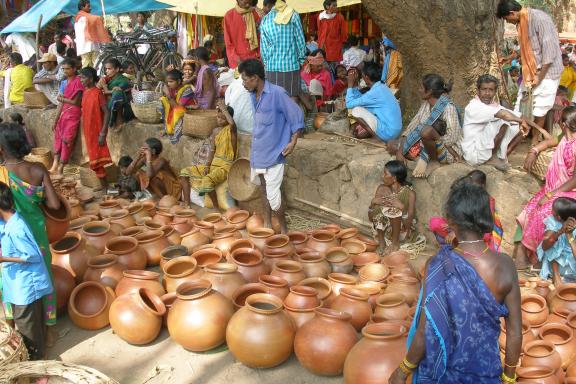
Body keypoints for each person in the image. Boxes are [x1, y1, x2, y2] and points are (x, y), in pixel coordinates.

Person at [388, 182, 521, 384]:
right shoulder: (505, 266)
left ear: (450, 220)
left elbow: (424, 330)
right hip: (486, 374)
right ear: (487, 217)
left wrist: (402, 370)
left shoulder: (437, 265)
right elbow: (515, 333)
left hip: (442, 375)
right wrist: (509, 378)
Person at [0, 123, 61, 347]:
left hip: (8, 235)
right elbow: (54, 205)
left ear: (2, 149)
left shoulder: (1, 173)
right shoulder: (37, 170)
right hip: (36, 234)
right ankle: (49, 327)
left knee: (9, 276)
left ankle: (11, 324)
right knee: (43, 275)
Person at [239, 59, 303, 233]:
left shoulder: (277, 93)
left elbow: (296, 115)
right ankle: (268, 225)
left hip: (275, 153)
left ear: (255, 78)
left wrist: (293, 140)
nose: (243, 83)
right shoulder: (253, 95)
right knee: (264, 190)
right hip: (259, 152)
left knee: (274, 196)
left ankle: (284, 231)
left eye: (245, 79)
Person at [496, 0, 563, 144]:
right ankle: (514, 141)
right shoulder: (522, 23)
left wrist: (540, 76)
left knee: (540, 110)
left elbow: (549, 52)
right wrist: (510, 58)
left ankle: (535, 141)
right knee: (519, 107)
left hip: (548, 74)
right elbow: (528, 48)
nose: (510, 22)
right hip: (530, 74)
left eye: (508, 19)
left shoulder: (540, 19)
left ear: (512, 13)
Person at [517, 106, 576, 268]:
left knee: (543, 213)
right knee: (528, 209)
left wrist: (551, 195)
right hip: (555, 188)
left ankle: (536, 261)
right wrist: (534, 150)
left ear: (563, 124)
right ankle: (524, 257)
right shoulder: (565, 137)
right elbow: (550, 141)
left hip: (569, 192)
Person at [0, 182, 53, 360]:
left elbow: (32, 256)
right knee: (30, 324)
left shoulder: (16, 228)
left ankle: (39, 364)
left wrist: (4, 259)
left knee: (28, 329)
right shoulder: (8, 220)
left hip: (25, 286)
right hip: (17, 286)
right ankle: (38, 355)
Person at [386, 74, 462, 178]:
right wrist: (400, 152)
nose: (419, 89)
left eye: (421, 87)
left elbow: (452, 137)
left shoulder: (448, 107)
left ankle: (433, 161)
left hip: (445, 149)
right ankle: (420, 158)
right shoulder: (425, 105)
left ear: (430, 91)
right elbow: (412, 127)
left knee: (426, 131)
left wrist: (433, 138)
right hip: (425, 144)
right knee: (391, 144)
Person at [460, 74, 532, 170]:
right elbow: (504, 115)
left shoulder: (493, 105)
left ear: (495, 92)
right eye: (484, 89)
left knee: (519, 127)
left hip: (483, 149)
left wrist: (540, 129)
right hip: (473, 154)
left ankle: (502, 157)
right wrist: (521, 121)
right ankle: (492, 158)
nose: (487, 93)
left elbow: (518, 115)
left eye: (491, 90)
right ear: (478, 91)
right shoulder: (474, 106)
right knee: (503, 121)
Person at [180, 100, 237, 210]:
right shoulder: (215, 131)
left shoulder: (231, 130)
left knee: (207, 181)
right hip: (213, 164)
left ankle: (216, 209)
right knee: (184, 173)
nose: (219, 120)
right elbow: (211, 150)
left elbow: (232, 123)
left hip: (226, 166)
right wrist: (207, 165)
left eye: (223, 118)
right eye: (218, 117)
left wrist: (224, 109)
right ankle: (187, 204)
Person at [429, 170, 504, 252]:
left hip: (474, 233)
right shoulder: (463, 195)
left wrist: (456, 231)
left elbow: (485, 228)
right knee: (435, 222)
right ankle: (452, 249)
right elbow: (456, 214)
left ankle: (462, 251)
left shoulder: (486, 200)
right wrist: (453, 226)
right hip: (458, 228)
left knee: (486, 238)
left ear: (482, 186)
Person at [369, 160, 417, 255]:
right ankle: (382, 244)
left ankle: (395, 244)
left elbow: (408, 225)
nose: (382, 176)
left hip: (401, 232)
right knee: (380, 211)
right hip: (383, 232)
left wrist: (402, 208)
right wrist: (372, 204)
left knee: (394, 211)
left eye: (385, 173)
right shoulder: (381, 189)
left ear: (394, 178)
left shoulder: (410, 194)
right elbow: (371, 218)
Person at [260, 0, 307, 99]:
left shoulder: (265, 20)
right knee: (292, 98)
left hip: (271, 68)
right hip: (291, 65)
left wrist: (266, 64)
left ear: (269, 4)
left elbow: (263, 48)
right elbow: (300, 40)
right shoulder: (293, 14)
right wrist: (302, 60)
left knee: (275, 99)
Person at [345, 62, 402, 142]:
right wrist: (354, 86)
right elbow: (361, 99)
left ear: (366, 77)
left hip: (389, 133)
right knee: (360, 111)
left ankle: (376, 138)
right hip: (395, 131)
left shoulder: (375, 91)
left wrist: (350, 85)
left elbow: (349, 104)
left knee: (356, 110)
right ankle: (375, 135)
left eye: (362, 75)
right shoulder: (381, 87)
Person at [79, 67, 112, 190]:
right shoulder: (85, 92)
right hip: (89, 132)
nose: (81, 80)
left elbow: (107, 112)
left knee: (97, 160)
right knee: (94, 160)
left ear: (91, 79)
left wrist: (103, 132)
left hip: (97, 131)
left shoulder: (98, 93)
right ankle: (104, 186)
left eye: (83, 77)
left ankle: (106, 187)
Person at [50, 59, 83, 175]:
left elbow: (76, 102)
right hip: (63, 113)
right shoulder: (63, 83)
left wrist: (62, 99)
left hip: (73, 113)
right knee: (58, 138)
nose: (65, 71)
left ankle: (61, 167)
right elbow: (60, 103)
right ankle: (55, 164)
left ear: (74, 69)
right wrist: (55, 119)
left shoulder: (79, 81)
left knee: (67, 139)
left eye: (68, 68)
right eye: (63, 69)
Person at [537, 197, 576, 286]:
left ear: (558, 216)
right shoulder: (553, 221)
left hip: (572, 262)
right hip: (555, 263)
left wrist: (569, 235)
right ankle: (556, 275)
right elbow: (545, 246)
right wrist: (560, 232)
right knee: (553, 240)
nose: (551, 211)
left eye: (552, 209)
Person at [158, 69, 196, 145]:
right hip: (177, 111)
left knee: (178, 111)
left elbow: (178, 107)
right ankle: (167, 128)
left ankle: (177, 135)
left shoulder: (187, 90)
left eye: (171, 82)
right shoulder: (173, 89)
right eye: (167, 82)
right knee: (162, 100)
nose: (168, 84)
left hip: (189, 114)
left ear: (178, 81)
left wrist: (168, 95)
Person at [223, 0, 261, 69]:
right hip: (237, 62)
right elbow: (228, 43)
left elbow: (260, 38)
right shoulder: (229, 16)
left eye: (249, 2)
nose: (248, 5)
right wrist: (237, 59)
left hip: (254, 60)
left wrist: (259, 56)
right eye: (245, 3)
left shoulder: (255, 14)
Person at [74, 0, 111, 68]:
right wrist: (99, 18)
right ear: (82, 7)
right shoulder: (82, 17)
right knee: (88, 66)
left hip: (89, 45)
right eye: (88, 6)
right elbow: (94, 19)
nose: (90, 8)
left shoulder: (81, 17)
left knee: (95, 65)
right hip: (86, 46)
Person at [97, 58, 132, 130]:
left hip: (124, 109)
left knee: (118, 95)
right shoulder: (109, 78)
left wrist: (105, 88)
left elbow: (118, 92)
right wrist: (100, 84)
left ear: (117, 69)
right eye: (106, 69)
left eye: (109, 69)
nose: (107, 71)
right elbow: (96, 89)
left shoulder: (123, 80)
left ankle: (117, 121)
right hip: (109, 105)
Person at [317, 0, 348, 66]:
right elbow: (319, 32)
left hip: (335, 48)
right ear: (327, 7)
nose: (336, 7)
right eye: (334, 5)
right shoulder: (321, 17)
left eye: (336, 5)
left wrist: (342, 45)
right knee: (325, 68)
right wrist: (320, 45)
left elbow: (343, 33)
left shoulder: (340, 17)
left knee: (336, 68)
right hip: (323, 47)